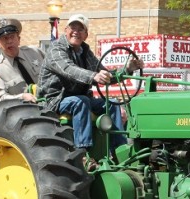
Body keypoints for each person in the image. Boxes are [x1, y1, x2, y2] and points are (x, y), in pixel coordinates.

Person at [37, 14, 144, 158]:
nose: (76, 31)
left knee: (112, 104)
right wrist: (93, 76)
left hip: (78, 98)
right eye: (73, 28)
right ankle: (84, 154)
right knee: (81, 101)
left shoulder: (85, 52)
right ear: (65, 30)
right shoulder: (56, 49)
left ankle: (120, 150)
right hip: (55, 99)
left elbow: (105, 75)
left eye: (81, 29)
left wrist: (127, 69)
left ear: (86, 35)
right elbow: (68, 69)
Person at [0, 18, 45, 102]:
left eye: (12, 37)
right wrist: (21, 97)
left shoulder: (35, 52)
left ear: (18, 39)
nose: (9, 41)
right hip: (21, 110)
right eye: (5, 38)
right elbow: (0, 97)